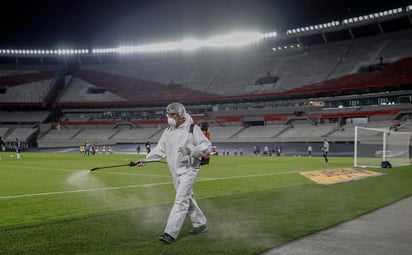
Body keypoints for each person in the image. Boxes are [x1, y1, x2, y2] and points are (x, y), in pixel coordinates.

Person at [133, 102, 211, 244]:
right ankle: (200, 224)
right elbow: (159, 150)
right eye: (168, 114)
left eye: (172, 114)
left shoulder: (192, 129)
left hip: (189, 170)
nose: (169, 117)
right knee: (188, 197)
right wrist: (145, 160)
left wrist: (192, 150)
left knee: (181, 200)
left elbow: (207, 146)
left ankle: (170, 233)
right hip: (175, 171)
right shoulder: (168, 131)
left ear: (181, 115)